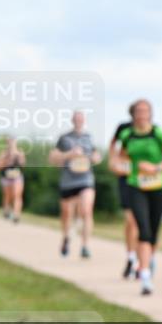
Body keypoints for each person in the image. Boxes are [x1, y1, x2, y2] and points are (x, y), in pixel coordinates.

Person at [116, 99, 162, 295]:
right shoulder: (127, 135)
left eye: (146, 111)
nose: (142, 114)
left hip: (158, 185)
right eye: (138, 111)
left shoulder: (157, 133)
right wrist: (122, 166)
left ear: (150, 114)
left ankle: (149, 259)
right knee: (142, 228)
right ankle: (144, 275)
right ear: (133, 114)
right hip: (136, 185)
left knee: (153, 230)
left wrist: (156, 168)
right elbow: (122, 156)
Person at [49, 111, 101, 258]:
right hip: (68, 181)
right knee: (66, 214)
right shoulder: (64, 138)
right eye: (76, 118)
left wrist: (94, 158)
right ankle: (66, 238)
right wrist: (69, 155)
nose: (79, 121)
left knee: (86, 210)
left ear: (84, 121)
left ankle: (85, 246)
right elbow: (52, 158)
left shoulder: (89, 138)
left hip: (86, 179)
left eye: (81, 119)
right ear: (72, 120)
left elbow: (97, 156)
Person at [109, 110, 141, 278]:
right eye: (138, 112)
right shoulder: (124, 129)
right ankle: (131, 257)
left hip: (144, 180)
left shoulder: (153, 131)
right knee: (131, 220)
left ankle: (142, 258)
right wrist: (113, 161)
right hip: (127, 178)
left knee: (141, 222)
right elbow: (113, 144)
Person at [0, 137, 26, 223]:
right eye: (9, 142)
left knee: (17, 195)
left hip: (17, 177)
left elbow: (23, 165)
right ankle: (7, 210)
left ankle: (16, 215)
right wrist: (6, 160)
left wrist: (18, 157)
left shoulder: (20, 152)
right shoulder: (3, 153)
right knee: (8, 196)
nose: (11, 144)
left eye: (13, 142)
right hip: (6, 177)